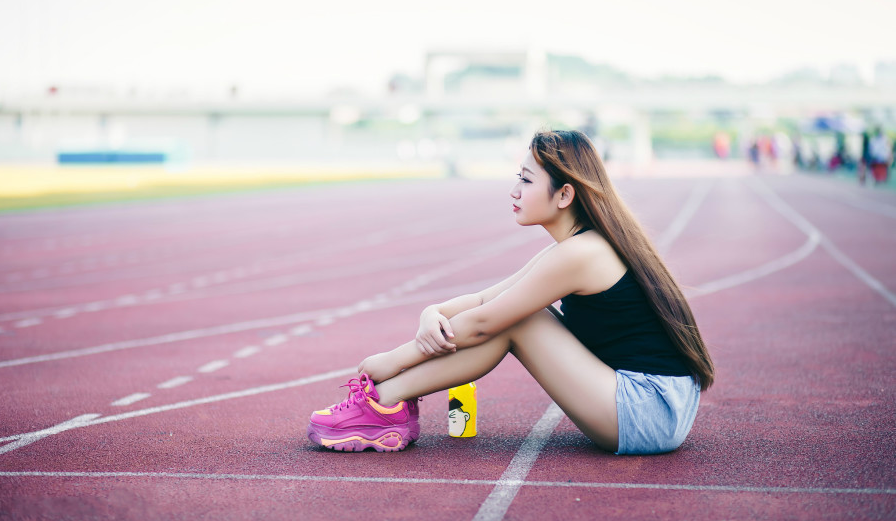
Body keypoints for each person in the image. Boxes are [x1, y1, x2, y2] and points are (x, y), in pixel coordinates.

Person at [306, 130, 715, 455]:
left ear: (565, 194)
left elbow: (487, 321)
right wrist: (431, 311)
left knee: (520, 320)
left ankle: (384, 401)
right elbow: (486, 299)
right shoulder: (572, 249)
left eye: (525, 179)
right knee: (515, 314)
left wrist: (391, 361)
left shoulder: (582, 254)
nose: (514, 190)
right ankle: (386, 404)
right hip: (650, 404)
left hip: (649, 411)